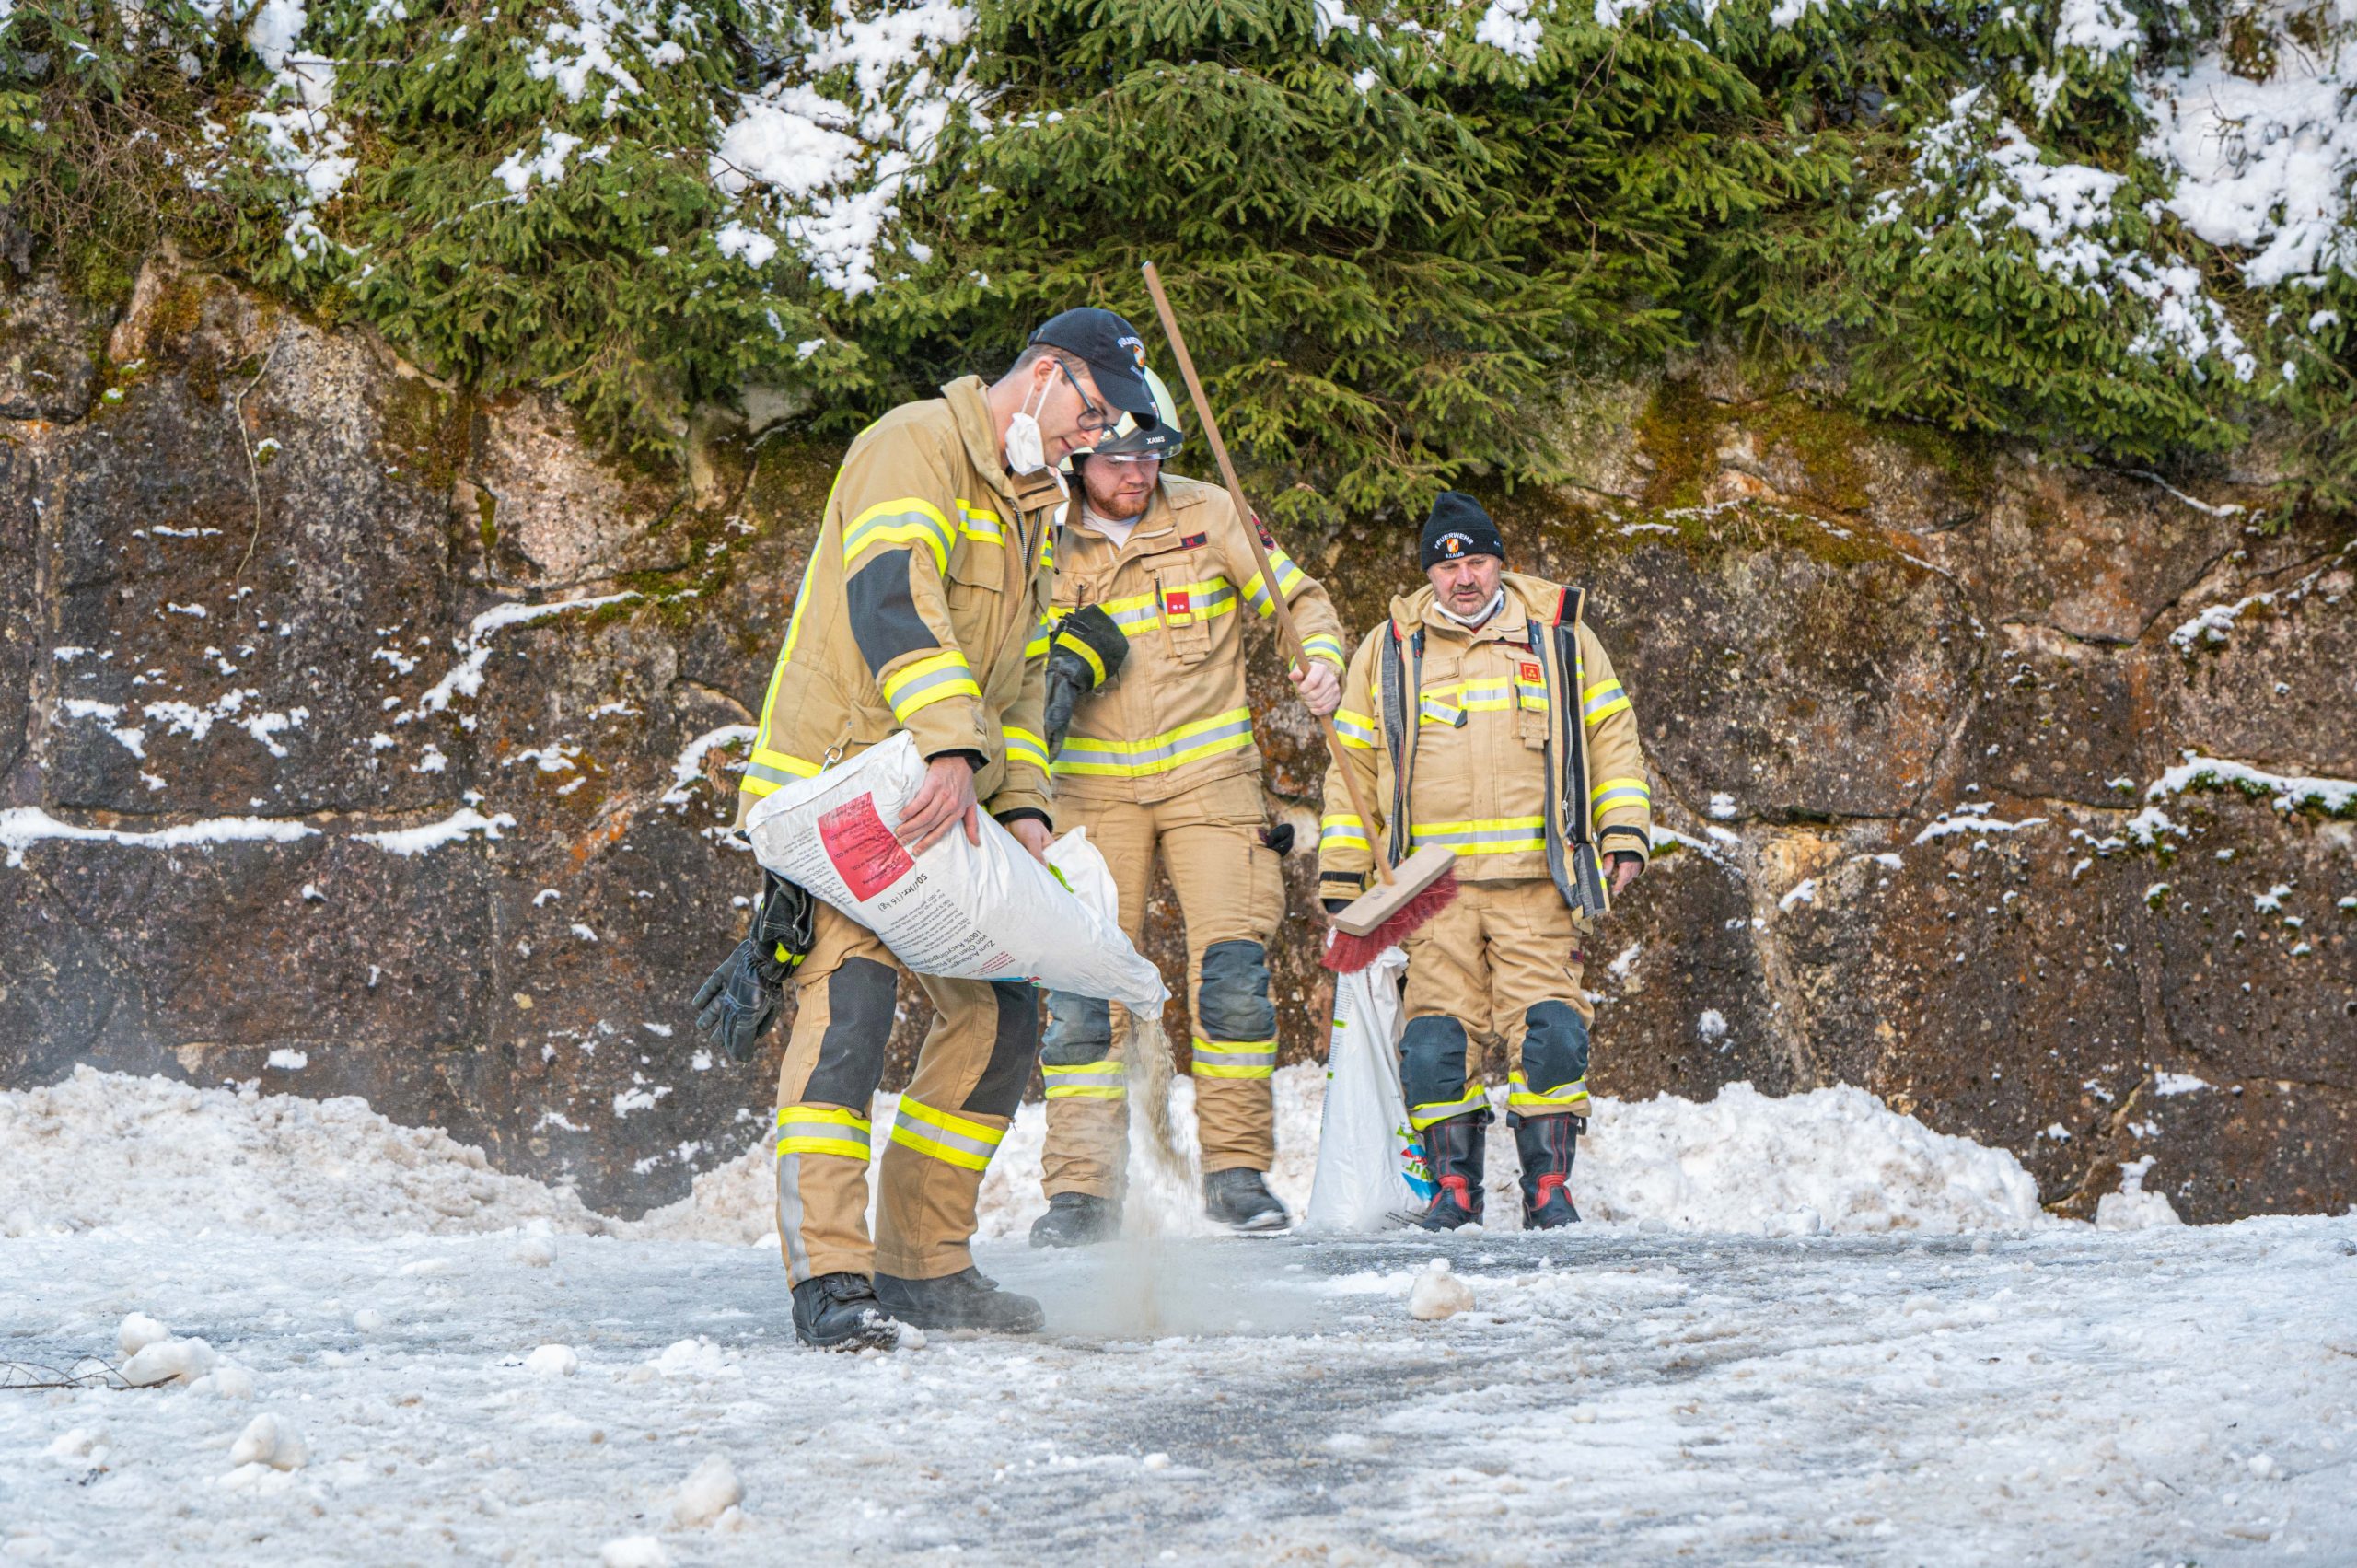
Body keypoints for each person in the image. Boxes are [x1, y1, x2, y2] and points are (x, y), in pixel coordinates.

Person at [694, 308, 1161, 1348]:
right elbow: (890, 598)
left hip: (945, 802)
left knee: (1000, 1021)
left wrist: (1027, 806)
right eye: (1090, 410)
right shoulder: (913, 444)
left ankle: (923, 1266)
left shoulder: (1033, 503)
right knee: (848, 1017)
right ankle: (831, 1278)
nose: (1094, 438)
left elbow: (1028, 670)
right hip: (846, 792)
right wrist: (952, 742)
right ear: (1043, 374)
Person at [1026, 368, 1348, 1245]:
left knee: (1235, 980)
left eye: (1151, 455)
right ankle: (1083, 1192)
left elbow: (1301, 599)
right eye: (1118, 457)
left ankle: (1236, 1174)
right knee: (1086, 994)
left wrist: (1320, 656)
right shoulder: (1036, 532)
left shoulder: (1210, 511)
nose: (1137, 473)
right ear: (1081, 454)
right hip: (1088, 791)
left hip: (1212, 782)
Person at [1314, 493, 1653, 1231]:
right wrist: (1344, 875)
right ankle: (1454, 1193)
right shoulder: (1391, 647)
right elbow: (1352, 767)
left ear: (1500, 561)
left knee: (1555, 1033)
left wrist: (1623, 828)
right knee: (1434, 1042)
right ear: (1430, 574)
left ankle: (1549, 1189)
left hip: (1538, 883)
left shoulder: (1559, 636)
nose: (1463, 577)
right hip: (1430, 892)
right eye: (1448, 564)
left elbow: (1610, 734)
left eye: (1476, 560)